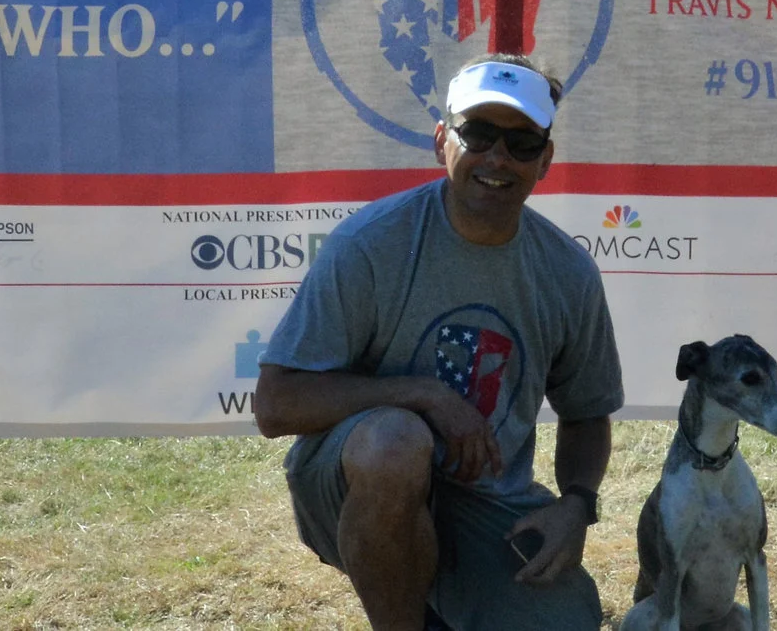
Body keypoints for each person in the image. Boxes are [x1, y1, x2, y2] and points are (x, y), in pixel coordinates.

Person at [253, 55, 623, 631]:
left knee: (568, 618)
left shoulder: (568, 272)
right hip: (356, 482)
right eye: (477, 133)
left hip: (485, 502)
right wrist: (424, 395)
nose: (497, 157)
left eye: (522, 143)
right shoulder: (369, 244)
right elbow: (276, 406)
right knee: (394, 442)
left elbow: (587, 414)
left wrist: (576, 504)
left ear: (545, 160)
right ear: (441, 140)